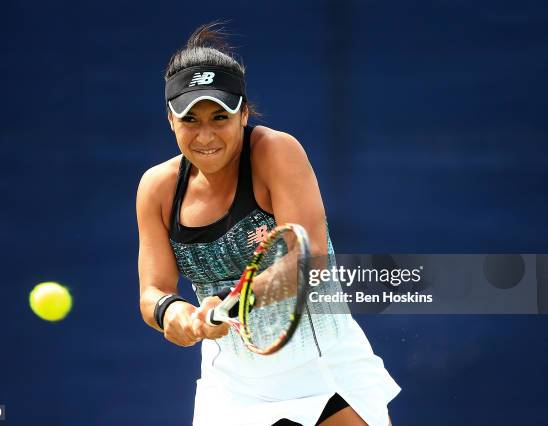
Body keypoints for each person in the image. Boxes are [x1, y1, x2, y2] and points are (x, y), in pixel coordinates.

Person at [136, 23, 400, 426]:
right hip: (230, 390)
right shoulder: (156, 189)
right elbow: (152, 291)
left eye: (219, 116)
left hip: (324, 372)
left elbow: (308, 263)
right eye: (190, 120)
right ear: (170, 120)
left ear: (243, 113)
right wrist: (172, 314)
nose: (205, 135)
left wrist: (231, 301)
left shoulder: (276, 151)